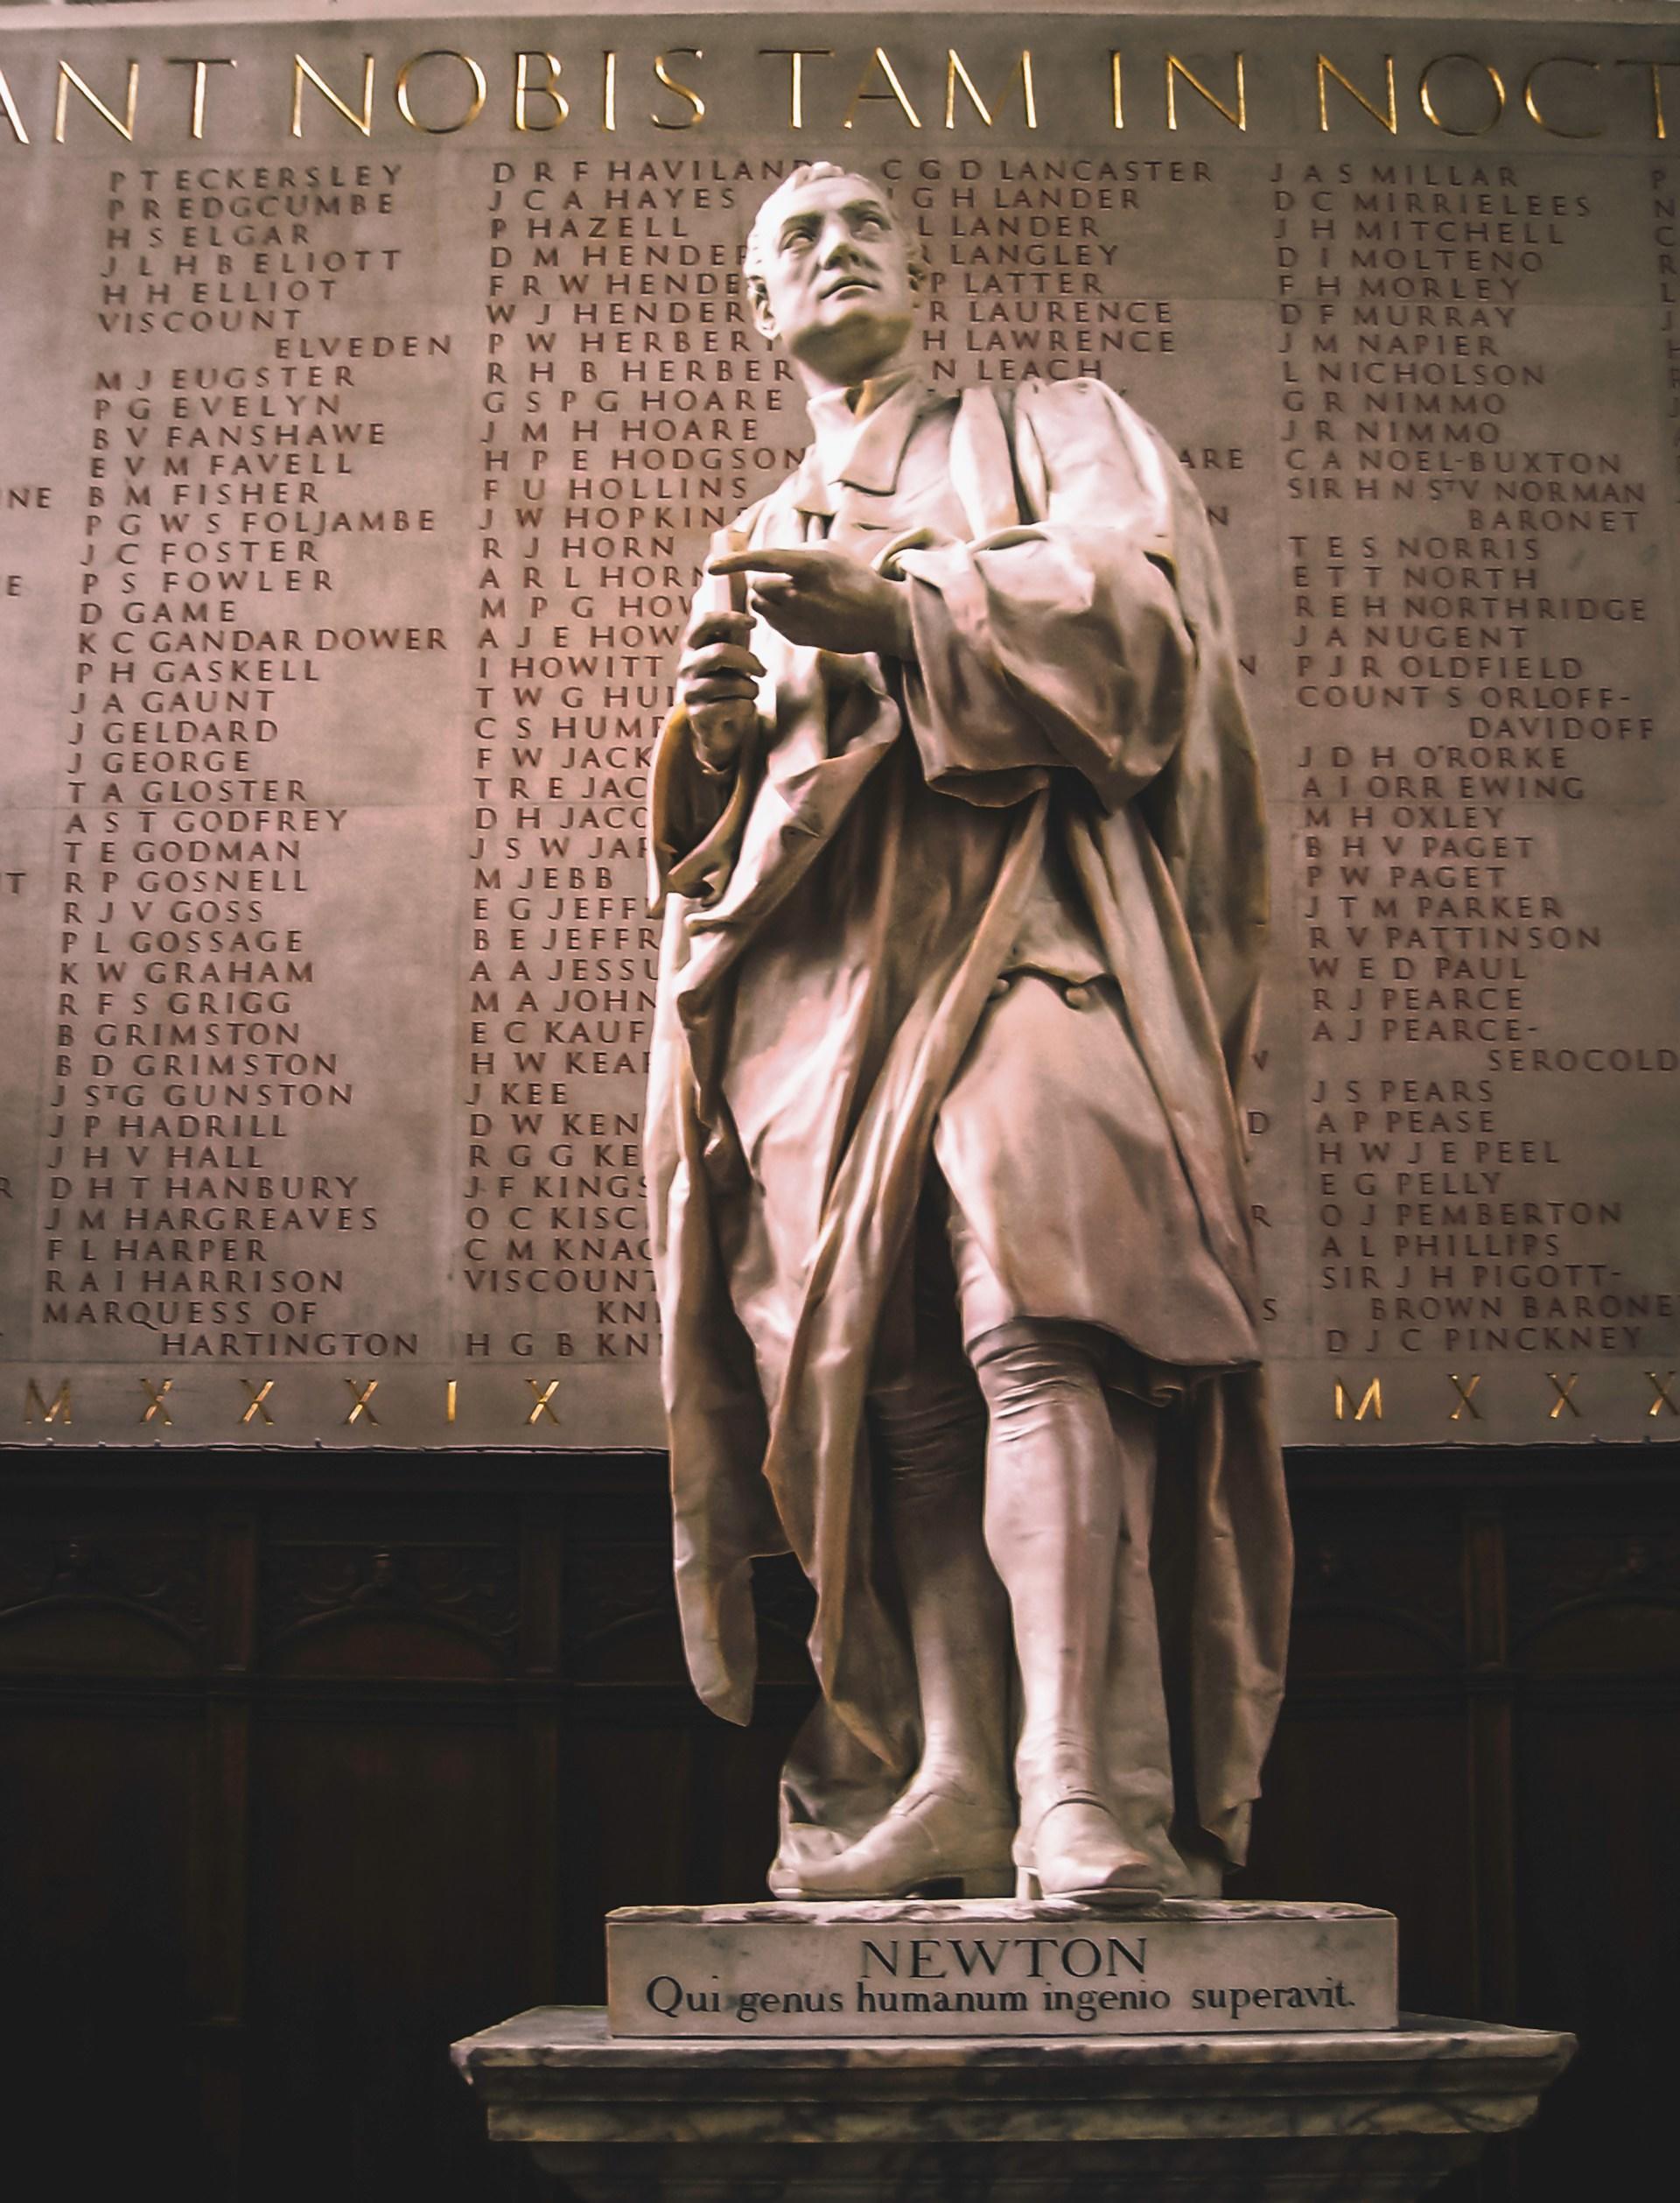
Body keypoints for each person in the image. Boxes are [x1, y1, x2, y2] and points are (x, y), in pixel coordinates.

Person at [645, 163, 1292, 1905]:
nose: (836, 250)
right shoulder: (754, 530)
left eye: (864, 225)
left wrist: (901, 611)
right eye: (797, 239)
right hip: (825, 998)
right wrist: (716, 746)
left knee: (1043, 1325)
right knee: (897, 1369)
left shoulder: (1056, 430)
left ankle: (1081, 1786)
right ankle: (954, 1769)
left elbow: (1147, 633)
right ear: (758, 310)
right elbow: (721, 863)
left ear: (917, 273)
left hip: (1030, 938)